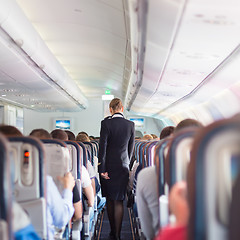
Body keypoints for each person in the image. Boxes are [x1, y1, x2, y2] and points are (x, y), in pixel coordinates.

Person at [98, 98, 135, 240]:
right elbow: (130, 149)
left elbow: (103, 147)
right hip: (123, 166)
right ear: (122, 108)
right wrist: (126, 164)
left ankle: (113, 232)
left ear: (110, 109)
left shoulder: (106, 123)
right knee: (119, 200)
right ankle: (118, 235)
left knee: (109, 199)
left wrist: (103, 168)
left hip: (109, 166)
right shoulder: (130, 124)